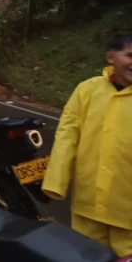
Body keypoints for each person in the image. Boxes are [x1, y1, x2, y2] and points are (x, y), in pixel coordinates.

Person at [42, 33, 132, 256]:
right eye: (130, 55)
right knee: (86, 255)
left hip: (127, 210)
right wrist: (57, 181)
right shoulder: (87, 90)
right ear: (111, 57)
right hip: (88, 203)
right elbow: (67, 135)